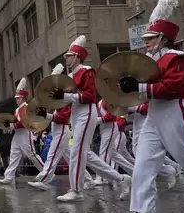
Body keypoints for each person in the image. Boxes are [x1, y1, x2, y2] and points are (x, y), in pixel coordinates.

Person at [119, 0, 184, 213]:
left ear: (164, 38)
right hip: (154, 113)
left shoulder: (178, 57)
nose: (146, 42)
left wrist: (141, 87)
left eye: (151, 38)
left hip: (174, 111)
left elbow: (173, 87)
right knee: (143, 162)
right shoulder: (150, 61)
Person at [50, 35, 131, 202]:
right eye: (66, 56)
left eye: (69, 55)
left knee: (77, 152)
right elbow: (69, 98)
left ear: (78, 57)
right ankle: (121, 179)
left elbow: (90, 96)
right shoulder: (71, 76)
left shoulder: (87, 71)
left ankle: (76, 190)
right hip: (76, 114)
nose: (66, 59)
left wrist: (65, 96)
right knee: (83, 153)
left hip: (86, 113)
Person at [0, 78, 44, 184]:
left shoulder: (27, 107)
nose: (16, 100)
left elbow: (25, 122)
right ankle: (9, 176)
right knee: (14, 154)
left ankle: (45, 171)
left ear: (23, 98)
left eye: (18, 98)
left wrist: (13, 125)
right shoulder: (16, 110)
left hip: (25, 133)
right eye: (16, 98)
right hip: (17, 134)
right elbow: (15, 122)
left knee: (31, 154)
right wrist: (9, 128)